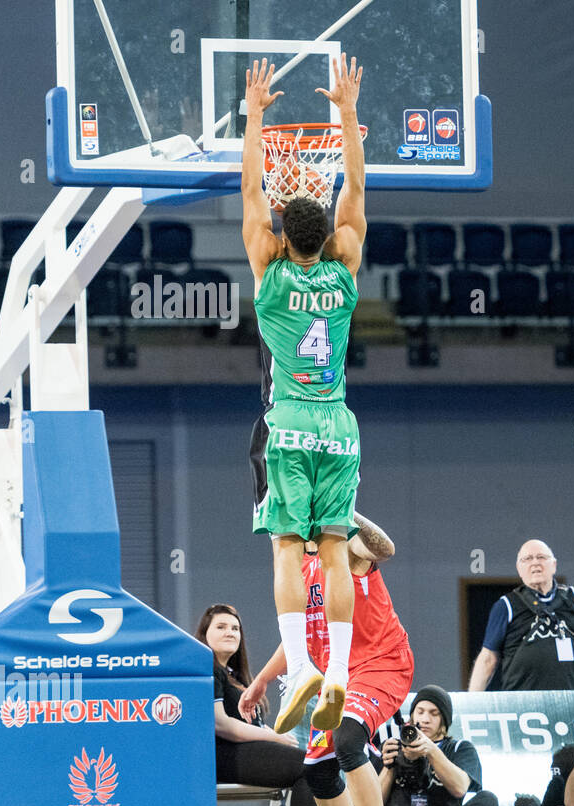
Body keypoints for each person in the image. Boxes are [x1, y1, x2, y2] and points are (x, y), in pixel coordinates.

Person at [240, 56, 368, 735]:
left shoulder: (268, 269)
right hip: (338, 424)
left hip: (288, 420)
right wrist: (346, 111)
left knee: (288, 547)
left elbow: (250, 191)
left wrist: (256, 115)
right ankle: (341, 670)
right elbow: (356, 188)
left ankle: (301, 667)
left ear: (281, 234)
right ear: (331, 237)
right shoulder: (346, 266)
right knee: (336, 549)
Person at [240, 511, 413, 806]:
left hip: (382, 664)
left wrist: (343, 508)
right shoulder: (297, 568)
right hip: (338, 681)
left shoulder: (342, 549)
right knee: (317, 767)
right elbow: (296, 639)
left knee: (348, 739)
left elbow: (385, 547)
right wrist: (262, 680)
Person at [199, 603, 318, 806]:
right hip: (220, 755)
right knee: (308, 767)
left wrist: (270, 734)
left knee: (321, 765)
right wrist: (273, 738)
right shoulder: (206, 666)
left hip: (243, 751)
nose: (230, 632)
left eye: (235, 628)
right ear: (204, 633)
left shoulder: (237, 675)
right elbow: (221, 725)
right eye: (220, 627)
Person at [378, 686, 524, 806]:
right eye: (420, 711)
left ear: (444, 720)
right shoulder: (391, 747)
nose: (424, 719)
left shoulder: (459, 748)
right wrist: (389, 766)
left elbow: (459, 788)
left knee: (488, 800)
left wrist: (431, 751)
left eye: (434, 713)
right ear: (411, 717)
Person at [468, 539, 574, 691]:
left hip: (570, 704)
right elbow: (488, 659)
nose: (535, 563)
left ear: (554, 565)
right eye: (527, 559)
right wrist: (471, 703)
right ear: (519, 569)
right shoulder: (505, 606)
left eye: (541, 557)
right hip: (520, 705)